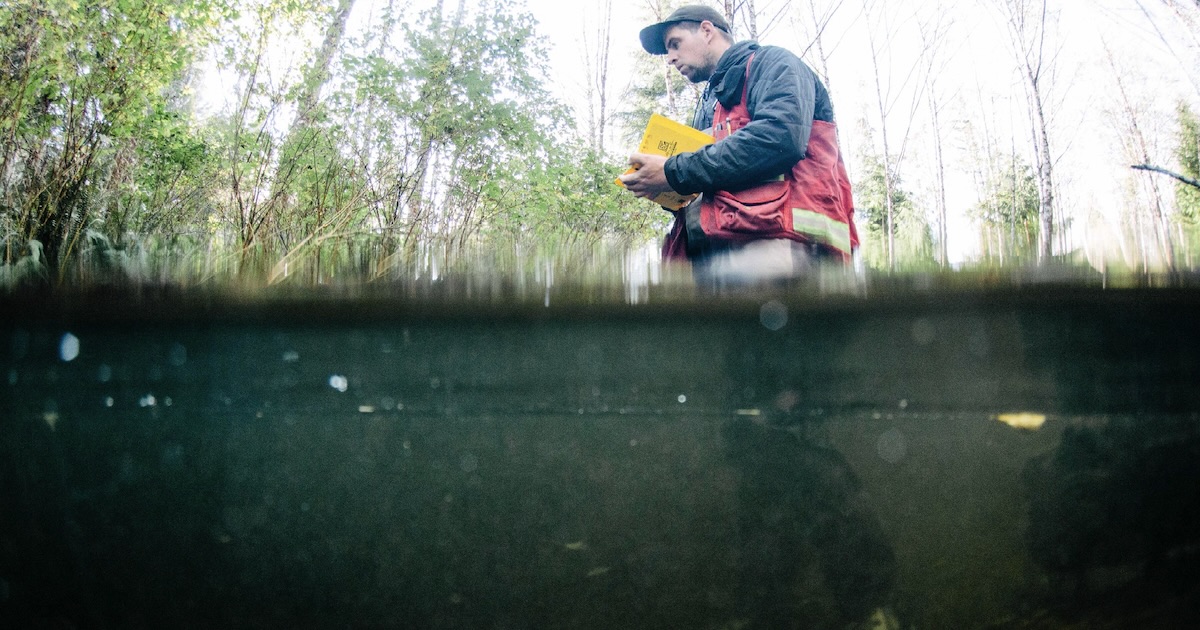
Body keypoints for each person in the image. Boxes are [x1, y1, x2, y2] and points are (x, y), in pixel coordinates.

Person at [618, 5, 858, 285]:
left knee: (676, 298)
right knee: (662, 296)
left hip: (790, 252)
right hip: (723, 254)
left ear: (707, 31)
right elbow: (711, 175)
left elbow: (779, 138)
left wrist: (673, 171)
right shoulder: (710, 106)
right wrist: (663, 185)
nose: (670, 58)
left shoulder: (774, 64)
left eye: (675, 44)